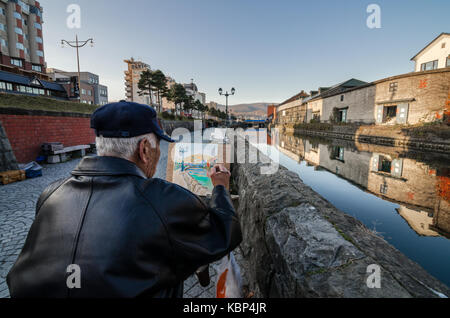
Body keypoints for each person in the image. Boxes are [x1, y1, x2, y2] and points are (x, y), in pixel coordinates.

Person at [7, 101, 242, 298]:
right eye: (157, 145)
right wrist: (220, 186)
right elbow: (225, 233)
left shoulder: (50, 193)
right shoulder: (161, 198)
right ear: (144, 150)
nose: (159, 152)